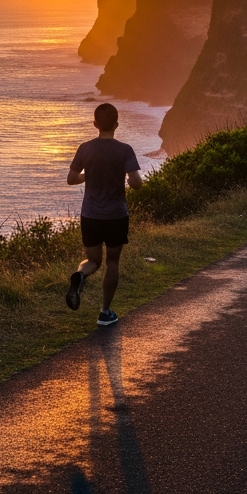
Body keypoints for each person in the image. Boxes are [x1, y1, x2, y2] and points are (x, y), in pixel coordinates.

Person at [65, 102, 142, 326]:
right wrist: (129, 179)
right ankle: (105, 312)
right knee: (113, 261)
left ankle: (80, 275)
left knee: (93, 260)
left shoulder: (85, 148)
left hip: (90, 215)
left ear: (95, 123)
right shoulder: (124, 150)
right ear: (117, 124)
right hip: (116, 215)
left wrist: (87, 176)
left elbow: (71, 179)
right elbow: (136, 183)